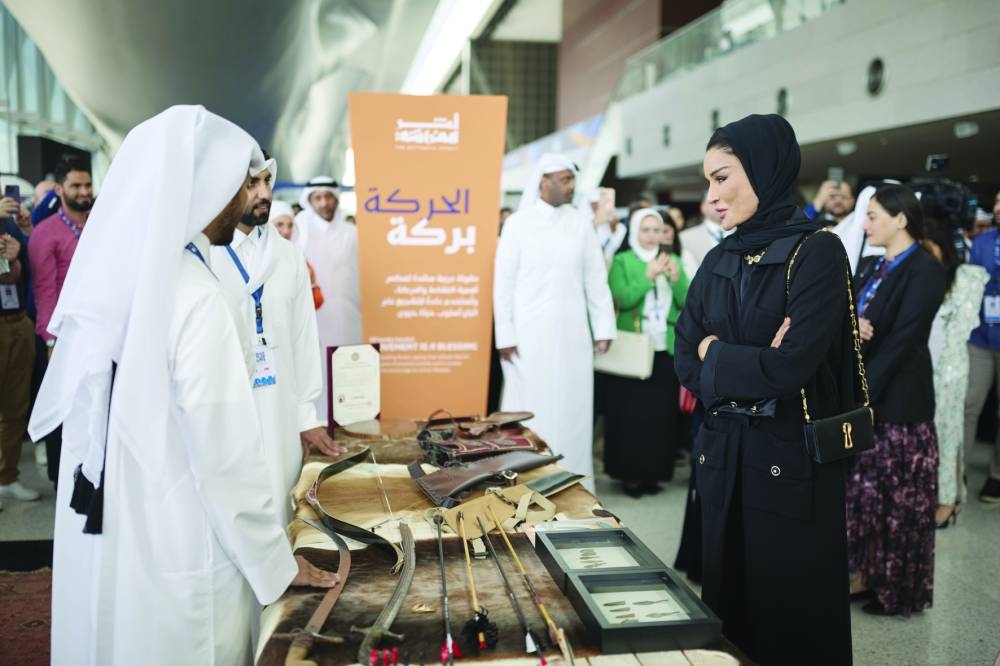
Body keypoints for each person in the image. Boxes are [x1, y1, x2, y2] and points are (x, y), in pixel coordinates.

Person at [28, 106, 339, 665]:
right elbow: (223, 458)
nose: (246, 199)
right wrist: (276, 563)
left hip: (127, 526)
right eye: (236, 183)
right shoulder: (195, 294)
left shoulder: (133, 279)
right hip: (187, 535)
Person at [674, 114, 855, 665]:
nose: (713, 197)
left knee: (791, 615)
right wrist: (751, 359)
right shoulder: (719, 257)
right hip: (725, 457)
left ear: (764, 170)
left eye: (723, 177)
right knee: (731, 614)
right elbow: (684, 358)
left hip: (790, 463)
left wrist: (717, 352)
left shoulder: (817, 253)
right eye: (707, 182)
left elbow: (790, 370)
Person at [210, 163, 345, 527]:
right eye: (251, 183)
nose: (265, 194)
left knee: (282, 510)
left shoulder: (289, 256)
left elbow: (304, 340)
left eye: (267, 181)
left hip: (279, 408)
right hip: (221, 410)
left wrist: (305, 416)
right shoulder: (203, 254)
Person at [846, 184, 946, 616]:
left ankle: (897, 591)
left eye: (872, 216)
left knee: (901, 503)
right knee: (868, 496)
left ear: (901, 218)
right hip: (869, 395)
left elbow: (904, 339)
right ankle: (867, 575)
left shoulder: (924, 268)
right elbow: (845, 311)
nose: (865, 224)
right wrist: (855, 324)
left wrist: (865, 389)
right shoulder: (870, 266)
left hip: (901, 402)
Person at [494, 153, 616, 487]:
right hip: (528, 337)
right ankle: (525, 481)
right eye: (564, 179)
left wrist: (603, 327)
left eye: (572, 179)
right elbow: (502, 284)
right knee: (533, 408)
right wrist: (504, 335)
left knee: (574, 409)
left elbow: (595, 279)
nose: (571, 185)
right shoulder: (518, 224)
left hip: (574, 334)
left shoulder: (580, 223)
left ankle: (574, 482)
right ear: (543, 181)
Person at [604, 208, 689, 496]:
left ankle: (654, 474)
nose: (653, 236)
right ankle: (629, 475)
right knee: (630, 415)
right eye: (646, 230)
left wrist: (677, 279)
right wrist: (648, 276)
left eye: (657, 230)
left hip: (664, 349)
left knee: (660, 416)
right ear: (635, 231)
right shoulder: (622, 260)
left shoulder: (673, 259)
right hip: (633, 350)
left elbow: (688, 303)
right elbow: (621, 298)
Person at [28, 156, 94, 484]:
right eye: (75, 186)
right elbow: (44, 290)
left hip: (98, 332)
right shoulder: (46, 232)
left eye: (87, 185)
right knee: (62, 407)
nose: (83, 192)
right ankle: (60, 478)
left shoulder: (99, 223)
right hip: (62, 337)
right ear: (59, 188)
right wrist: (51, 340)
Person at [924, 219, 987, 527]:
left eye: (928, 247)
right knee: (933, 438)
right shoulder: (919, 275)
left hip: (949, 368)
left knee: (948, 435)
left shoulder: (966, 278)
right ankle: (947, 495)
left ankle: (948, 501)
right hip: (923, 366)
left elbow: (959, 331)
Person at [295, 176, 362, 418]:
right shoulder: (299, 229)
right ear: (309, 200)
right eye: (318, 198)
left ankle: (350, 422)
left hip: (348, 317)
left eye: (329, 197)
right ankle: (318, 423)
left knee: (348, 370)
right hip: (314, 317)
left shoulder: (351, 232)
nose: (324, 203)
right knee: (317, 372)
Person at [0, 198, 39, 506]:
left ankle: (8, 476)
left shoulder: (10, 222)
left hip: (17, 318)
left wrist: (23, 240)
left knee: (15, 406)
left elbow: (25, 269)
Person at [963, 200, 1000, 504]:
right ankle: (956, 468)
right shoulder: (983, 241)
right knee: (969, 403)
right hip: (979, 335)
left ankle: (997, 476)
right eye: (998, 201)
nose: (999, 206)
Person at [269, 200, 324, 310]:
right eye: (279, 224)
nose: (286, 231)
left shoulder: (300, 258)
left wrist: (309, 284)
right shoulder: (255, 258)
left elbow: (317, 301)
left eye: (290, 226)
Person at [678, 192, 728, 276]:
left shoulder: (741, 234)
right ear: (703, 207)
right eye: (714, 201)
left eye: (724, 202)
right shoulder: (684, 237)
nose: (720, 205)